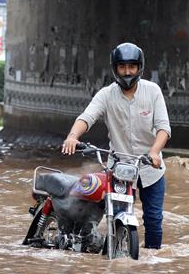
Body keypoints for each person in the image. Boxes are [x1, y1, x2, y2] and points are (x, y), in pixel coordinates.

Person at [61, 43, 171, 249]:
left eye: (132, 66)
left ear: (140, 67)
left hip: (150, 167)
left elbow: (163, 128)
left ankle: (153, 267)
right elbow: (87, 117)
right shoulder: (106, 94)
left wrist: (155, 151)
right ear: (115, 68)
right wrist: (73, 136)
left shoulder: (153, 91)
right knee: (117, 217)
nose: (127, 72)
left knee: (154, 222)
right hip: (119, 169)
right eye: (122, 67)